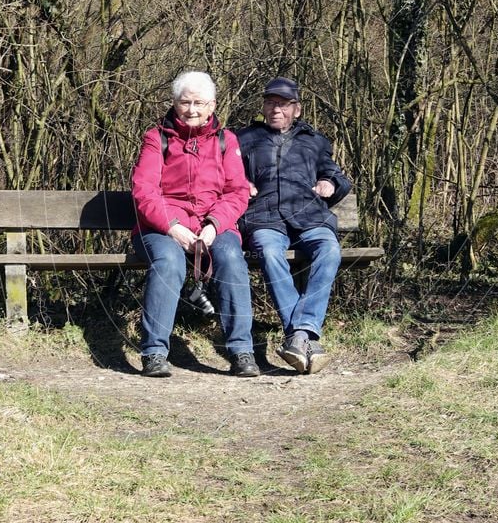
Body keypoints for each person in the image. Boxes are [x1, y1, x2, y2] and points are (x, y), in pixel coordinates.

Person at [131, 71, 259, 378]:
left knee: (231, 258)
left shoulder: (227, 141)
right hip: (161, 228)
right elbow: (144, 191)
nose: (192, 109)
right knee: (169, 262)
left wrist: (214, 226)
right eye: (185, 102)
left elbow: (237, 191)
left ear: (212, 105)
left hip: (215, 225)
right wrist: (173, 227)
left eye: (199, 103)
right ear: (174, 104)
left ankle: (242, 351)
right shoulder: (155, 139)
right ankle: (154, 353)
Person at [237, 77, 351, 374]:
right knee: (270, 253)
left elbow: (336, 175)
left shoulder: (314, 141)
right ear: (263, 107)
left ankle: (297, 334)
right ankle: (305, 335)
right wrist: (241, 184)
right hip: (265, 217)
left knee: (329, 249)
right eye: (271, 103)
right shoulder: (244, 139)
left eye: (283, 104)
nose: (276, 110)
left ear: (296, 110)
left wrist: (329, 183)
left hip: (309, 217)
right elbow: (225, 174)